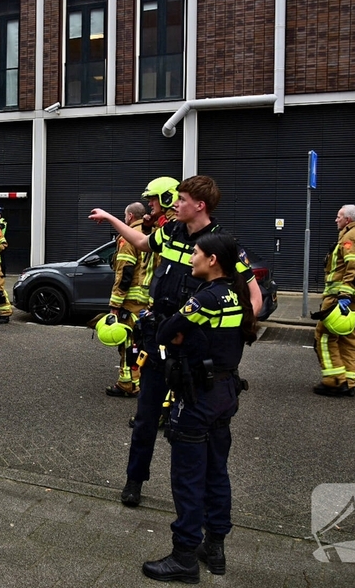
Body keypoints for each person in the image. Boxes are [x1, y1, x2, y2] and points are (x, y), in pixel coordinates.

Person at [88, 175, 263, 509]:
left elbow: (253, 297)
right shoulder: (170, 231)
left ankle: (199, 502)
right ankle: (134, 481)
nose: (175, 204)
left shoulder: (223, 245)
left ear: (200, 205)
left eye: (181, 199)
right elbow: (141, 244)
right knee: (145, 417)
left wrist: (234, 331)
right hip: (161, 337)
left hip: (197, 349)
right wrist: (112, 219)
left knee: (198, 427)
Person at [141, 232, 257, 583]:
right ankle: (215, 546)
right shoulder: (236, 294)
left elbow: (165, 333)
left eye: (195, 253)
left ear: (212, 261)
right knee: (216, 472)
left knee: (188, 478)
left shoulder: (205, 299)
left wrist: (174, 331)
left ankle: (184, 557)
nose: (190, 257)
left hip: (198, 397)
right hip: (224, 392)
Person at [312, 204, 355, 397]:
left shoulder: (351, 237)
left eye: (338, 216)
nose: (335, 220)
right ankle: (349, 382)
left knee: (323, 336)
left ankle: (335, 381)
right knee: (349, 340)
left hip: (342, 298)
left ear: (347, 219)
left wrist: (344, 296)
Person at [105, 202, 150, 397]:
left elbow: (125, 272)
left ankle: (127, 384)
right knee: (144, 344)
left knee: (127, 343)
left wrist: (115, 305)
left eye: (125, 216)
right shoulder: (153, 233)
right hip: (149, 300)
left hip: (131, 303)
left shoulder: (128, 237)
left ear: (130, 216)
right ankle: (142, 381)